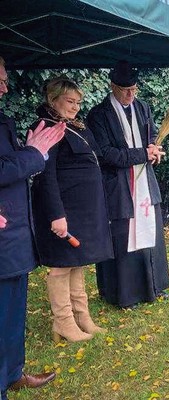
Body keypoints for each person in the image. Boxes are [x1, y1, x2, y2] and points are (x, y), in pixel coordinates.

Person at [1, 56, 65, 398]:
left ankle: (11, 371)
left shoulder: (3, 120)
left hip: (13, 234)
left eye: (5, 76)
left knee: (13, 309)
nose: (6, 86)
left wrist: (29, 152)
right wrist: (33, 154)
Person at [31, 77, 113, 342]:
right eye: (70, 101)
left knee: (77, 262)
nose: (76, 107)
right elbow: (46, 175)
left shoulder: (75, 125)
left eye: (78, 102)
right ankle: (63, 322)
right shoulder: (45, 127)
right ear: (53, 99)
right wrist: (56, 214)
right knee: (60, 266)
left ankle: (82, 317)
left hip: (81, 210)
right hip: (62, 209)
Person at [87, 60, 169, 307]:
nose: (130, 95)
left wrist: (154, 151)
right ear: (112, 86)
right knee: (123, 240)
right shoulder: (98, 115)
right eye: (125, 90)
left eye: (134, 89)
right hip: (118, 186)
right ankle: (124, 293)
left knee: (150, 236)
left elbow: (152, 137)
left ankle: (152, 286)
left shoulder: (142, 107)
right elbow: (105, 154)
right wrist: (142, 154)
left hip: (144, 182)